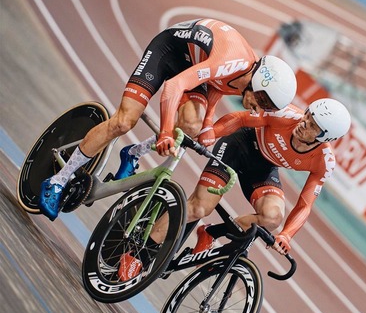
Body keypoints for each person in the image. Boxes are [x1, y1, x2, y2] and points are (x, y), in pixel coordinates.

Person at [39, 18, 297, 221]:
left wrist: (208, 123)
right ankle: (58, 180)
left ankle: (133, 153)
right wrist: (164, 133)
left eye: (266, 108)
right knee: (123, 122)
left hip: (196, 66)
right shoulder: (233, 63)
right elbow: (174, 86)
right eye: (261, 102)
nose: (257, 110)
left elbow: (218, 87)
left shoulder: (246, 78)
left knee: (192, 126)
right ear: (259, 82)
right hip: (168, 50)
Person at [186, 98, 351, 256]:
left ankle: (210, 233)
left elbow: (305, 205)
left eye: (313, 126)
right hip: (239, 145)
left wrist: (286, 235)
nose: (304, 123)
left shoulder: (324, 161)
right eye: (307, 115)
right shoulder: (284, 114)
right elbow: (240, 118)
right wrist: (210, 134)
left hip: (263, 167)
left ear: (324, 137)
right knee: (199, 208)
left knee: (272, 218)